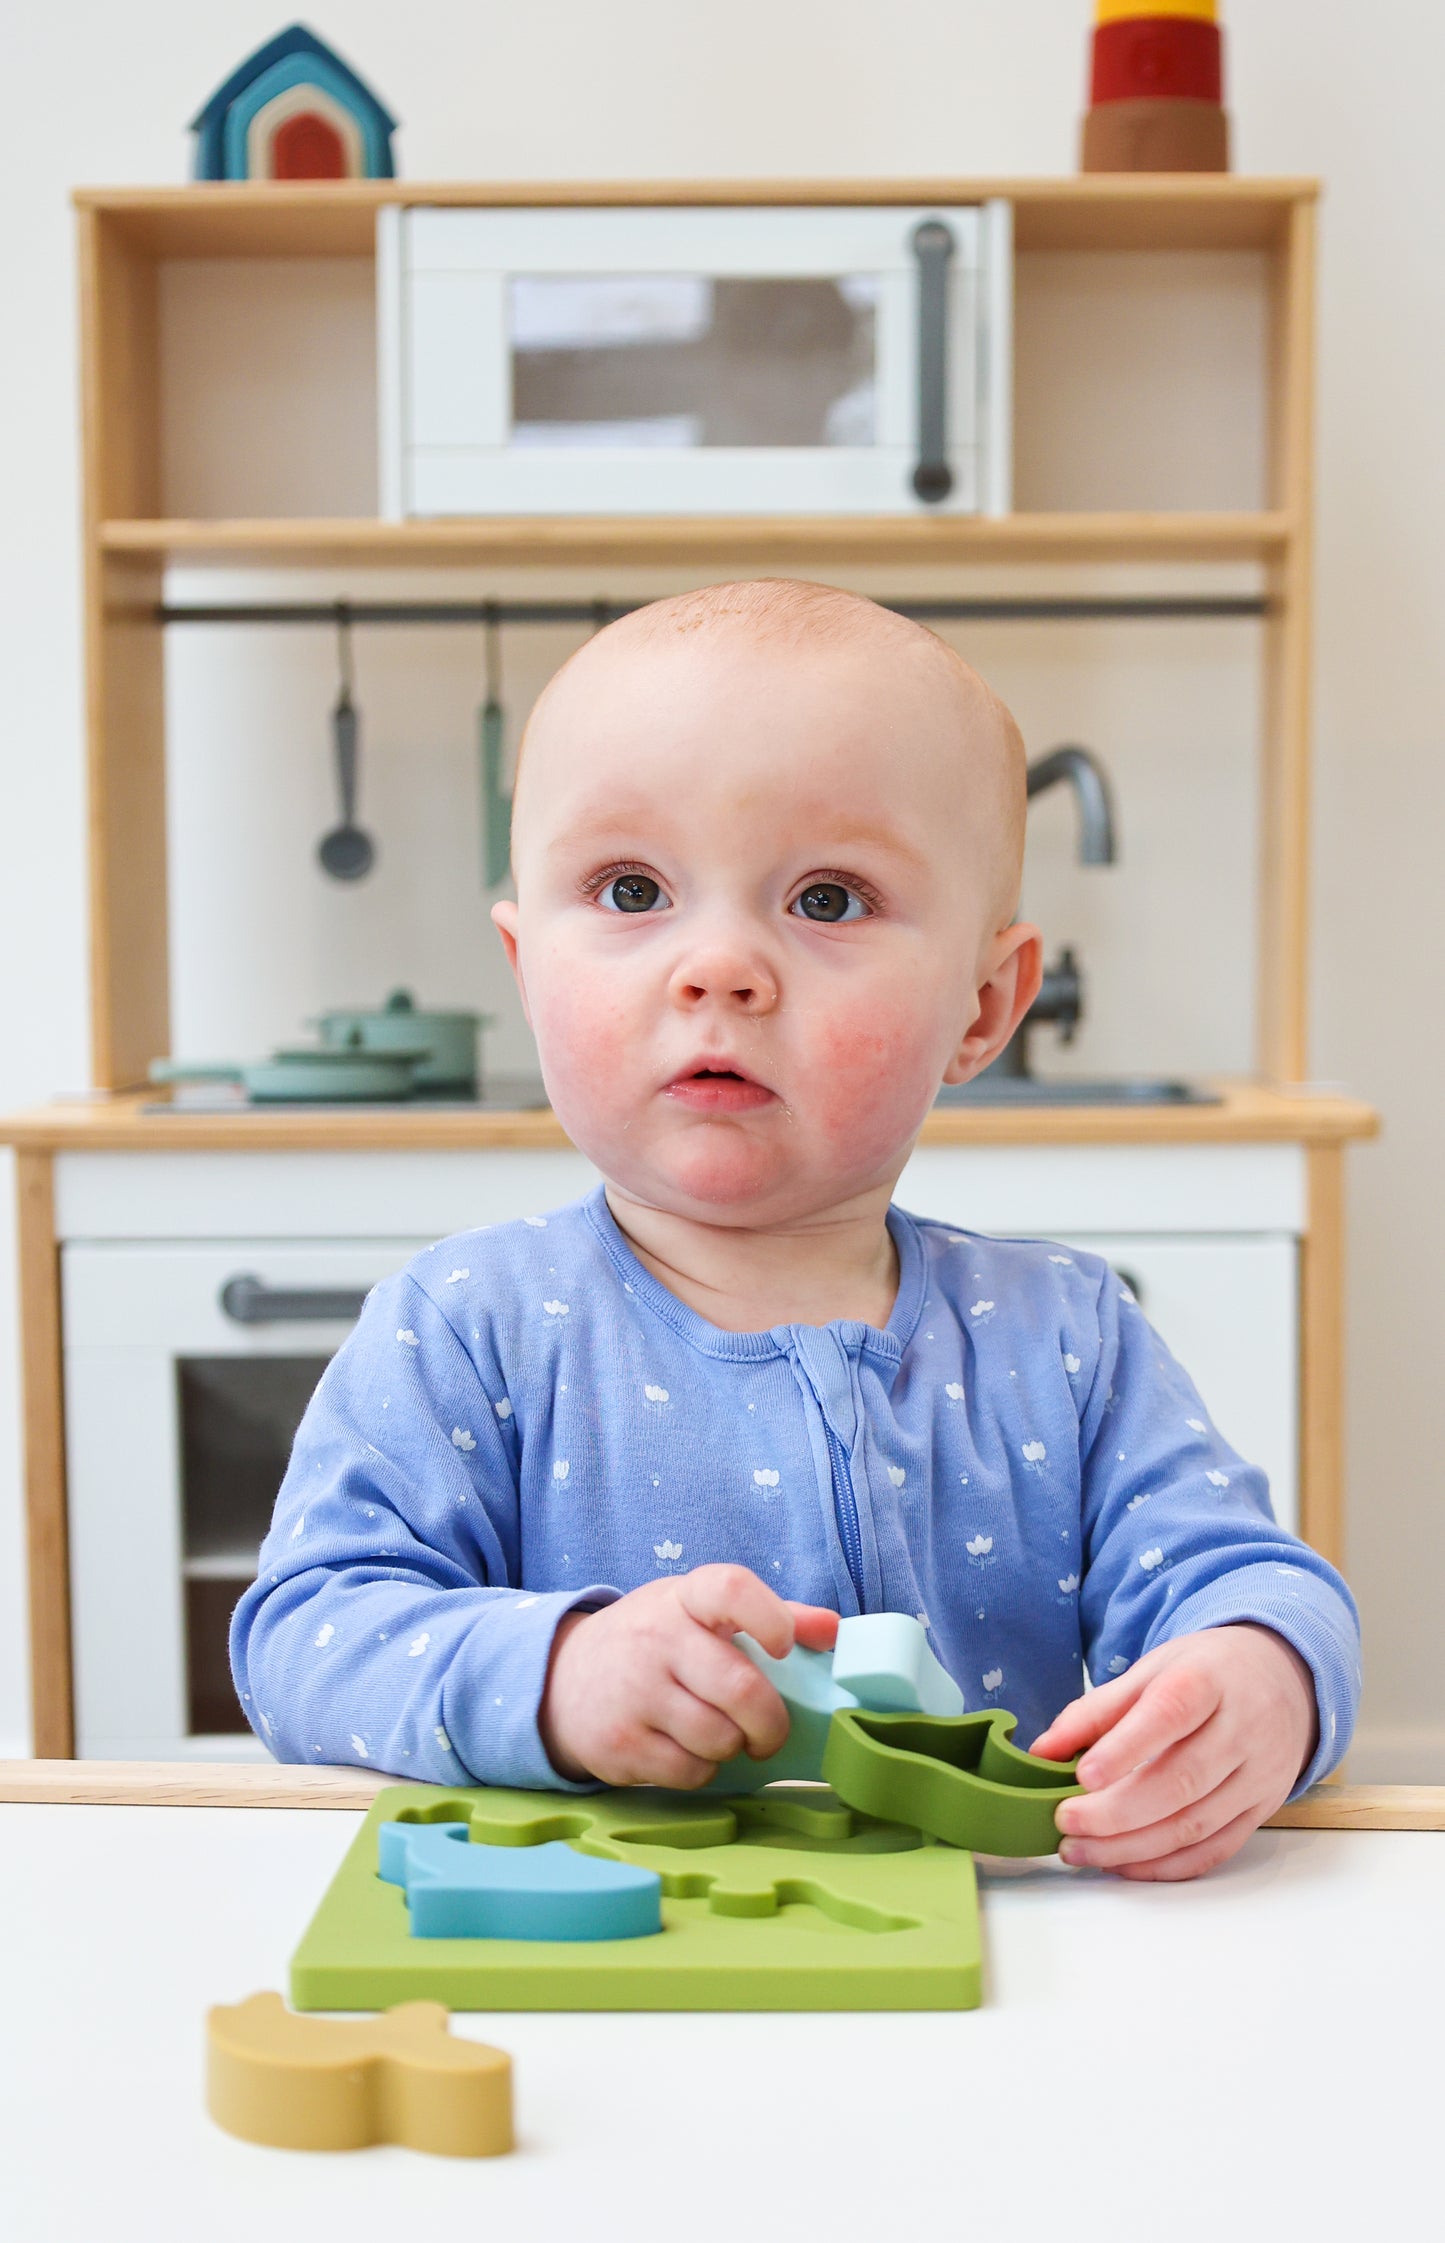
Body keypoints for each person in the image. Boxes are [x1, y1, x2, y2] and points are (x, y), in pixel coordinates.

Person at [231, 579, 1359, 1881]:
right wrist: (553, 1673)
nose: (719, 967)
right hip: (607, 1960)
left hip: (1000, 1969)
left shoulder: (1067, 1338)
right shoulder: (466, 1327)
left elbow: (1245, 1574)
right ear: (525, 969)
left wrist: (1262, 1677)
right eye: (630, 886)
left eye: (825, 900)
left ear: (985, 1008)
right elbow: (307, 1637)